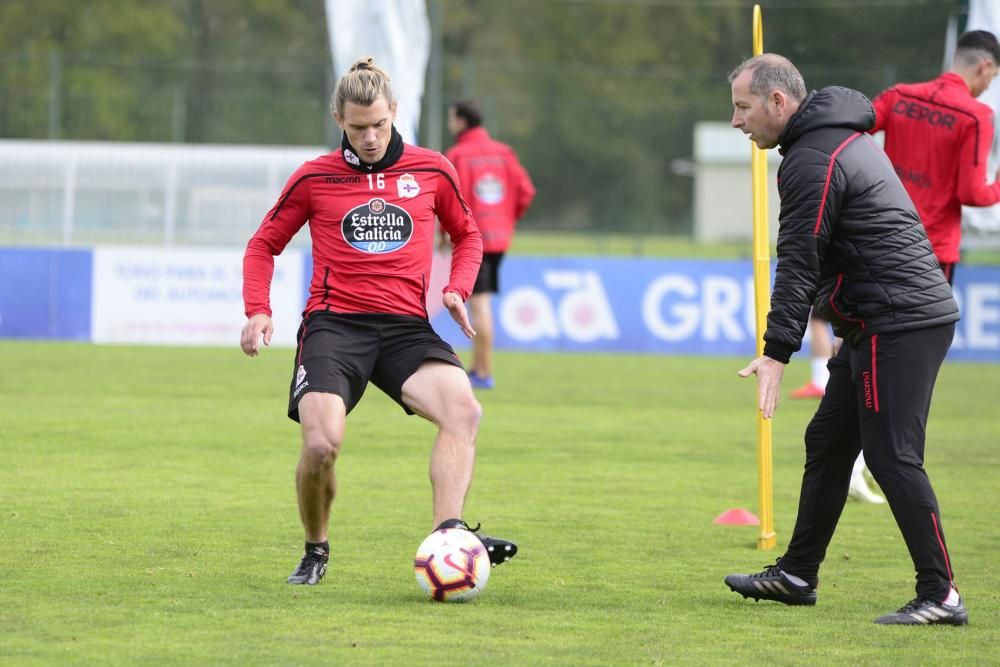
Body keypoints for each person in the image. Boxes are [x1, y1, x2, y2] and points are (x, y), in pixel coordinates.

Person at [240, 58, 517, 586]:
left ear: (395, 111)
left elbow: (469, 235)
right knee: (321, 446)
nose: (369, 137)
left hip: (404, 330)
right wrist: (258, 309)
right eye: (357, 126)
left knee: (464, 411)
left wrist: (456, 287)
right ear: (338, 119)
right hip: (334, 326)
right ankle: (315, 547)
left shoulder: (433, 169)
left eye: (379, 125)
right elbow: (263, 245)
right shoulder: (315, 176)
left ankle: (449, 538)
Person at [725, 54, 965, 625]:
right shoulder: (831, 142)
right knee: (829, 443)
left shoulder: (812, 158)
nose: (736, 121)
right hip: (876, 320)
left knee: (892, 457)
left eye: (742, 106)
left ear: (778, 103)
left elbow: (799, 261)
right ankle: (797, 575)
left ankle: (942, 595)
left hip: (897, 321)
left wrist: (777, 352)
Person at [871, 30, 1000, 284]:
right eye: (993, 77)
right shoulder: (976, 116)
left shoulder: (899, 96)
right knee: (925, 325)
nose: (988, 86)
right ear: (984, 67)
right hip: (932, 251)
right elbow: (971, 193)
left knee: (877, 323)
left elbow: (851, 132)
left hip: (882, 239)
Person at [443, 99, 536, 389]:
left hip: (474, 240)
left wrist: (445, 233)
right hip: (499, 239)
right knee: (483, 304)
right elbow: (526, 191)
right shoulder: (504, 152)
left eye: (451, 117)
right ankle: (479, 368)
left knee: (479, 306)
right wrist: (507, 219)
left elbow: (448, 198)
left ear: (460, 121)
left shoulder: (457, 155)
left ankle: (484, 373)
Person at [792, 315, 885, 504]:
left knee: (880, 415)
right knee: (828, 431)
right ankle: (858, 473)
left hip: (886, 331)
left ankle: (865, 470)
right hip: (868, 331)